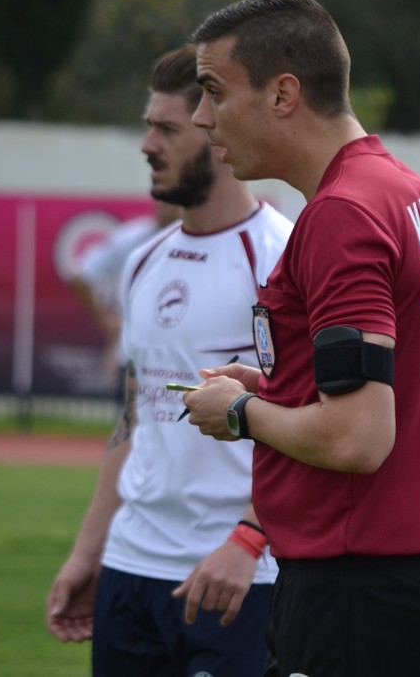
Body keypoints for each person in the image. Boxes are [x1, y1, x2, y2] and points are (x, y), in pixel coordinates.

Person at [182, 0, 420, 675]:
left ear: (282, 94)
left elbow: (357, 438)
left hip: (355, 589)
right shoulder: (408, 191)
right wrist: (278, 385)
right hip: (405, 580)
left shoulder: (343, 213)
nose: (202, 117)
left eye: (214, 90)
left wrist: (239, 412)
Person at [45, 44, 293, 677]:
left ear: (216, 130)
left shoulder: (282, 256)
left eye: (166, 129)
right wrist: (89, 553)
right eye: (147, 126)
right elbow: (134, 419)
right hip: (130, 568)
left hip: (237, 576)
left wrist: (249, 541)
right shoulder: (142, 261)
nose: (147, 145)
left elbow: (315, 419)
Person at [67, 200, 181, 403]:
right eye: (162, 200)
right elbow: (81, 276)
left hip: (179, 358)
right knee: (132, 420)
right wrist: (108, 324)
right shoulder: (132, 239)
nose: (168, 206)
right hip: (133, 358)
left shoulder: (198, 242)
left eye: (173, 201)